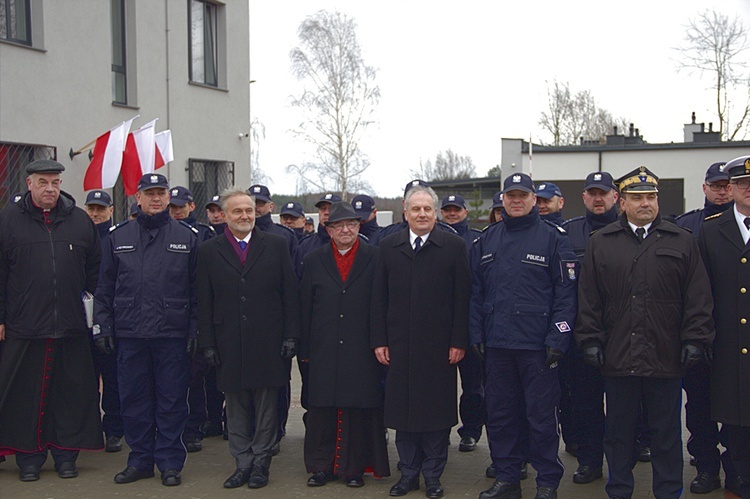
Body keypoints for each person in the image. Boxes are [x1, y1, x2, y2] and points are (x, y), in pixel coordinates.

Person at [575, 166, 714, 499]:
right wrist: (590, 340)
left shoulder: (681, 240)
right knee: (618, 434)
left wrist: (695, 339)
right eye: (636, 198)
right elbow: (588, 298)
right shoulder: (602, 243)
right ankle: (619, 489)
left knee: (665, 434)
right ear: (621, 203)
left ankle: (668, 491)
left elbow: (698, 296)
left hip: (665, 356)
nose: (645, 204)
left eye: (650, 197)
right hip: (618, 355)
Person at [470, 173, 578, 499]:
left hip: (538, 348)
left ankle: (547, 483)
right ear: (502, 199)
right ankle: (507, 478)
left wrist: (558, 339)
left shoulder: (553, 238)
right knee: (500, 416)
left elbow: (566, 295)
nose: (516, 201)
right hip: (498, 346)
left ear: (534, 199)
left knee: (542, 419)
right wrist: (476, 333)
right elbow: (476, 293)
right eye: (510, 195)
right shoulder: (486, 240)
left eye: (523, 196)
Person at [0, 159, 103, 482]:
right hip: (24, 324)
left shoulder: (79, 221)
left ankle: (65, 455)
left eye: (55, 182)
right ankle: (29, 457)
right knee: (23, 396)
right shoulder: (8, 221)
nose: (50, 188)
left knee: (70, 395)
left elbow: (95, 272)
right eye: (43, 182)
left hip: (71, 325)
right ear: (29, 184)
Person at [94, 173, 198, 487]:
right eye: (149, 193)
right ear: (137, 198)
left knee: (171, 401)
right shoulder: (118, 236)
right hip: (130, 334)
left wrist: (195, 330)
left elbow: (197, 291)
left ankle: (169, 462)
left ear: (169, 198)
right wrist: (102, 327)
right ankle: (140, 460)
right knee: (134, 401)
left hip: (172, 334)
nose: (155, 199)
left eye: (161, 193)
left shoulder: (187, 236)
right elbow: (104, 288)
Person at [371, 184, 471, 499]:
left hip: (439, 348)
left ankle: (433, 476)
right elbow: (378, 299)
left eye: (428, 209)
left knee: (436, 414)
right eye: (416, 209)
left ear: (436, 213)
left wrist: (458, 341)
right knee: (403, 413)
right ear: (406, 212)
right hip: (399, 346)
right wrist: (380, 340)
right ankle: (409, 474)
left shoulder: (453, 247)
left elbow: (462, 300)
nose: (422, 214)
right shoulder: (388, 247)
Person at [196, 187, 299, 489]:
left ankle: (261, 462)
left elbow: (289, 295)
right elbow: (204, 300)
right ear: (225, 216)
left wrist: (291, 336)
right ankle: (242, 462)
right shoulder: (208, 251)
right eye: (237, 211)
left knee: (267, 406)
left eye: (249, 210)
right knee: (236, 405)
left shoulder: (277, 245)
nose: (244, 216)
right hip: (228, 341)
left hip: (268, 341)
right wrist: (208, 342)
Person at [299, 201, 390, 488]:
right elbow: (304, 307)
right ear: (329, 230)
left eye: (351, 224)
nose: (346, 230)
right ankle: (321, 467)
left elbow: (382, 303)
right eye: (339, 226)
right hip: (323, 346)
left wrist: (380, 342)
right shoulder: (314, 260)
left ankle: (353, 469)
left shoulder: (375, 257)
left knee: (357, 408)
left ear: (359, 226)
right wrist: (304, 350)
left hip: (362, 346)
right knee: (322, 408)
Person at [674, 161, 736, 495]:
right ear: (705, 188)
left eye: (728, 185)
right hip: (696, 330)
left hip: (734, 333)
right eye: (717, 185)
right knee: (698, 405)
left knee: (738, 406)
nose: (723, 190)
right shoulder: (686, 226)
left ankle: (735, 466)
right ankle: (707, 467)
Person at [559, 171, 619, 485]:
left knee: (625, 406)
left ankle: (623, 463)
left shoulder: (628, 231)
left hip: (622, 335)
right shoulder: (567, 234)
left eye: (604, 193)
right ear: (584, 197)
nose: (598, 199)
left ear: (615, 197)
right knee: (585, 404)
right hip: (581, 337)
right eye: (592, 193)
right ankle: (589, 461)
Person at [697, 154, 750, 498]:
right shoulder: (710, 231)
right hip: (728, 346)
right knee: (734, 424)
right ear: (730, 189)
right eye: (745, 185)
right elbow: (700, 292)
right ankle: (737, 481)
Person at [166, 185, 216, 453]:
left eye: (179, 207)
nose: (175, 212)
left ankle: (194, 427)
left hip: (191, 315)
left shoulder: (202, 235)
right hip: (166, 317)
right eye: (171, 207)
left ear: (190, 206)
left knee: (195, 380)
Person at [439, 194, 485, 454]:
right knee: (440, 386)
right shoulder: (436, 238)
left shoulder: (477, 240)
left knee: (473, 386)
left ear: (466, 212)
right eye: (447, 210)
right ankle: (440, 431)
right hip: (444, 325)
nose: (452, 214)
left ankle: (470, 431)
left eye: (457, 210)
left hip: (470, 324)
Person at [84, 189, 124, 454]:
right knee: (86, 380)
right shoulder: (79, 236)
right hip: (81, 319)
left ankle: (114, 431)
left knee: (112, 379)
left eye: (101, 209)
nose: (96, 214)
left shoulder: (116, 238)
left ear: (111, 211)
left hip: (111, 316)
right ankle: (88, 430)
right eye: (91, 209)